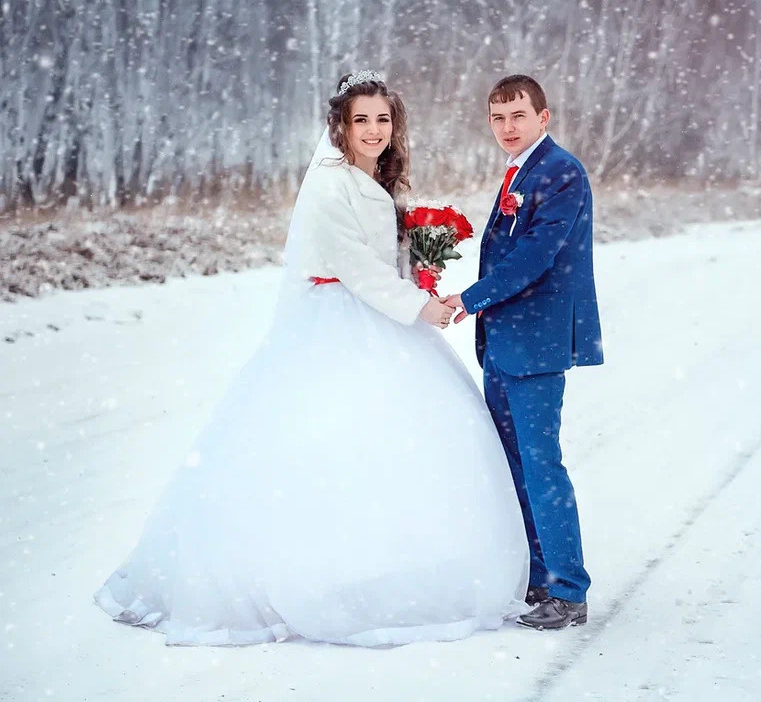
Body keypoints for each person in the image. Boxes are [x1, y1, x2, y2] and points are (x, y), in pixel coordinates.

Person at [93, 71, 529, 647]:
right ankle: (317, 575)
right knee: (330, 441)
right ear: (341, 127)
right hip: (343, 318)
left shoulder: (373, 178)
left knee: (403, 447)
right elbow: (353, 262)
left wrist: (419, 263)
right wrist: (417, 304)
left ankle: (386, 565)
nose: (374, 130)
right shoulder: (329, 183)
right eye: (361, 120)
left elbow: (382, 258)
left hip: (380, 314)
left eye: (382, 119)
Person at [442, 75, 604, 630]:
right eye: (497, 117)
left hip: (537, 343)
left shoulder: (561, 171)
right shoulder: (520, 170)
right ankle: (538, 578)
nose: (507, 127)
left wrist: (471, 297)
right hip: (505, 342)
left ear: (544, 117)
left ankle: (569, 590)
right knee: (512, 464)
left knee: (541, 465)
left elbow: (536, 256)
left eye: (518, 116)